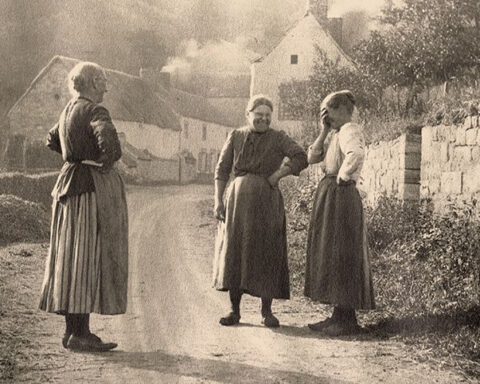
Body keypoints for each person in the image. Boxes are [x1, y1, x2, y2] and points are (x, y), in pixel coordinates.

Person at [39, 62, 129, 351]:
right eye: (102, 80)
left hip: (67, 186)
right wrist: (103, 161)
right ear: (91, 82)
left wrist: (75, 156)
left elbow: (51, 140)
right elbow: (112, 147)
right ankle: (81, 334)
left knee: (70, 260)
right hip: (89, 189)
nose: (106, 86)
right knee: (87, 259)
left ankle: (72, 332)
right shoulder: (95, 111)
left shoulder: (67, 110)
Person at [213, 94, 308, 327]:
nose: (263, 119)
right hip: (237, 202)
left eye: (267, 116)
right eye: (258, 115)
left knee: (267, 251)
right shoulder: (236, 136)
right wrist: (218, 200)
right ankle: (234, 311)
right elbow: (221, 170)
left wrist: (278, 175)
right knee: (235, 251)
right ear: (248, 115)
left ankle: (267, 312)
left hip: (267, 203)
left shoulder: (278, 138)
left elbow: (301, 157)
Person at [304, 90, 375, 336]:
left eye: (328, 111)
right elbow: (312, 157)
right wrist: (323, 130)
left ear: (342, 110)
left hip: (341, 195)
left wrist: (343, 177)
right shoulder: (335, 133)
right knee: (331, 253)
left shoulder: (350, 130)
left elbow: (356, 154)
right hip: (332, 195)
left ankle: (347, 320)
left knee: (342, 254)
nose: (325, 116)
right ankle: (338, 315)